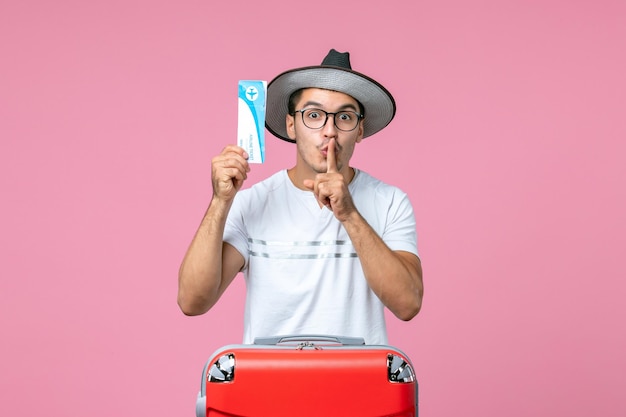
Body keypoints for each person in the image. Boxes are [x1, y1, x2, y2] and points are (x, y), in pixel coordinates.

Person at [178, 49, 423, 345]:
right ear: (292, 125)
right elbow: (193, 301)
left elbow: (408, 304)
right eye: (314, 115)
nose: (329, 131)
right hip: (270, 384)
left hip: (358, 386)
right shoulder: (253, 203)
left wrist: (349, 214)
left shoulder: (390, 202)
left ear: (359, 130)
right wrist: (220, 201)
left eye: (344, 117)